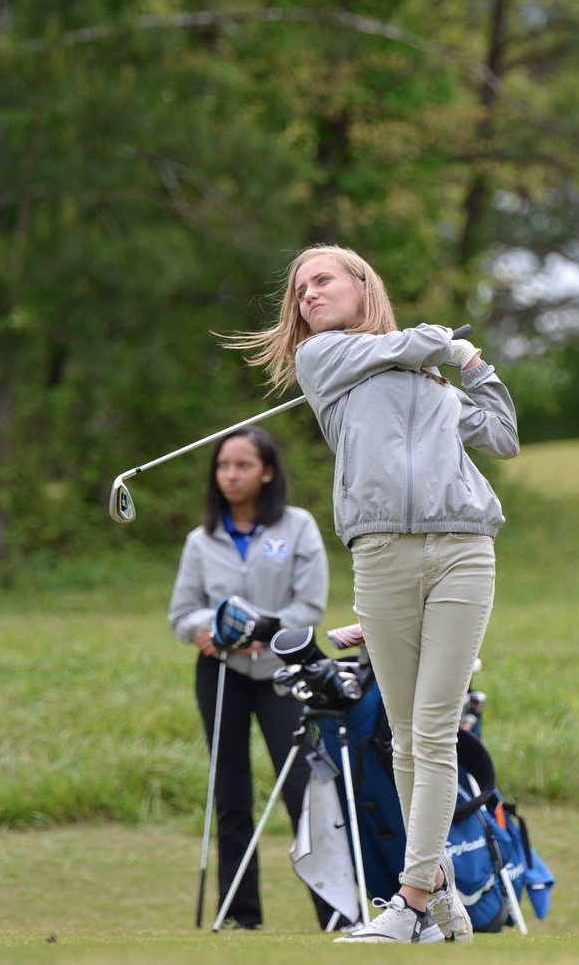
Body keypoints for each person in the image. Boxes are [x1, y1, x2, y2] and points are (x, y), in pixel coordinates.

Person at [226, 244, 519, 944]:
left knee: (432, 729)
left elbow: (503, 436)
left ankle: (414, 901)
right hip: (382, 555)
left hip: (463, 551)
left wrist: (473, 369)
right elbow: (412, 343)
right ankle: (441, 896)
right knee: (408, 741)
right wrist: (443, 344)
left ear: (363, 284)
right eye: (299, 290)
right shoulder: (322, 362)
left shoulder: (430, 382)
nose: (308, 296)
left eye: (322, 280)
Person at [168, 426, 335, 931]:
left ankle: (337, 913)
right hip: (221, 674)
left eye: (242, 465)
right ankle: (241, 916)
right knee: (232, 794)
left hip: (284, 673)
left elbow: (308, 609)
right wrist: (209, 630)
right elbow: (183, 614)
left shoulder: (298, 527)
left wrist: (258, 628)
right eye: (223, 466)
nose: (230, 475)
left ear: (267, 471)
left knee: (303, 790)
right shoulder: (202, 539)